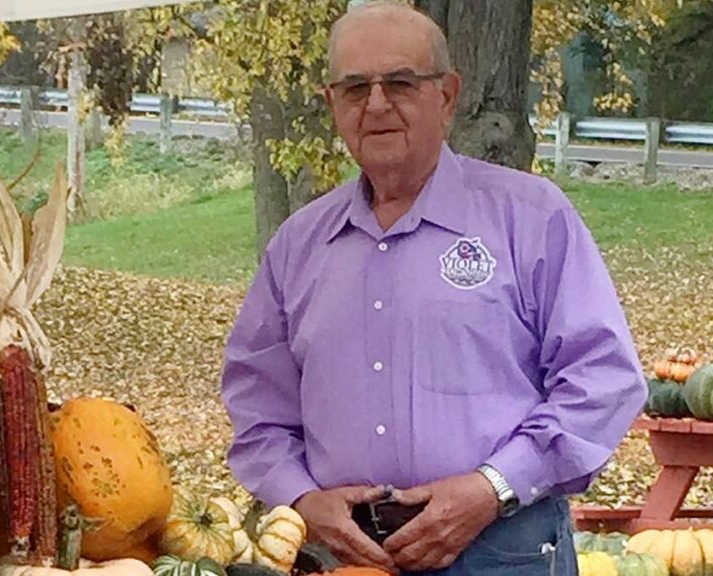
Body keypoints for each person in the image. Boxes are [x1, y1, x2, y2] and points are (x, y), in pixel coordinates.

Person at [220, 2, 647, 574]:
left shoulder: (528, 217)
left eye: (399, 82)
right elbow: (257, 404)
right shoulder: (299, 246)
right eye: (354, 88)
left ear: (446, 96)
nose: (376, 105)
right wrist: (303, 498)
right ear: (332, 104)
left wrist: (492, 487)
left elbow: (602, 379)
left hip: (501, 546)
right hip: (344, 555)